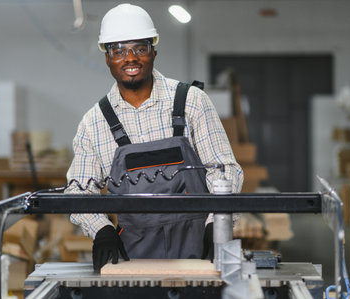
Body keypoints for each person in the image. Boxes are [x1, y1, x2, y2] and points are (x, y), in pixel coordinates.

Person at [65, 3, 243, 272]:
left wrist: (216, 225)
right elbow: (79, 190)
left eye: (140, 48)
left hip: (201, 253)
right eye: (119, 50)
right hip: (133, 259)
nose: (130, 58)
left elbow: (224, 170)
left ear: (154, 52)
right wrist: (101, 229)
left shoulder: (191, 102)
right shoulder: (95, 122)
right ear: (107, 58)